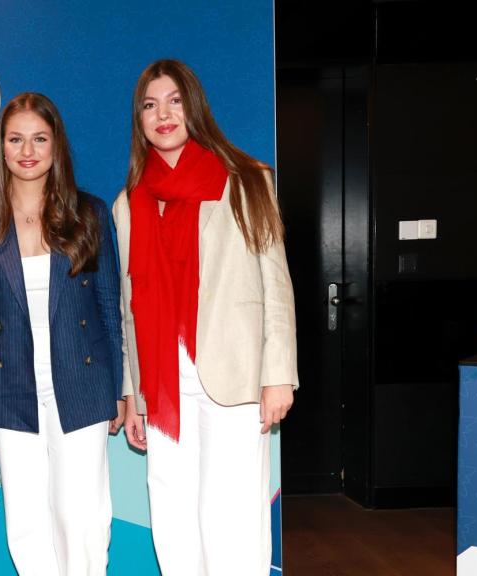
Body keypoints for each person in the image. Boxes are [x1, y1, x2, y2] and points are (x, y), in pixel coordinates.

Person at [114, 59, 298, 575]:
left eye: (174, 101)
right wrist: (135, 395)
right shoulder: (129, 204)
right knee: (173, 515)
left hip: (235, 374)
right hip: (164, 382)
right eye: (149, 106)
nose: (163, 114)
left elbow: (275, 284)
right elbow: (131, 307)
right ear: (140, 121)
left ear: (194, 107)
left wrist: (278, 375)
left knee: (234, 514)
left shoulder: (247, 181)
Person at [0, 92, 123, 576]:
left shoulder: (89, 213)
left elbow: (110, 306)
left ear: (56, 145)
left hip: (84, 382)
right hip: (11, 389)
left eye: (39, 138)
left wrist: (119, 391)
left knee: (82, 518)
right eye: (16, 139)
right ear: (2, 148)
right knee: (26, 522)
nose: (27, 150)